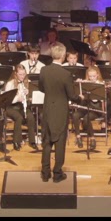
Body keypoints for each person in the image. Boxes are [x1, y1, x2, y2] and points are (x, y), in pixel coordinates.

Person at [39, 42, 82, 182]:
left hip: (47, 109)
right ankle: (57, 174)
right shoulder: (66, 74)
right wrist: (80, 98)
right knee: (59, 143)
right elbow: (72, 96)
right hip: (61, 111)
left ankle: (45, 173)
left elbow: (41, 88)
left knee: (46, 142)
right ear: (63, 56)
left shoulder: (44, 70)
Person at [4, 65, 38, 151]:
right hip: (10, 107)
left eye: (24, 74)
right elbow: (7, 100)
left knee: (30, 117)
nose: (22, 76)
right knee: (18, 117)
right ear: (16, 74)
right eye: (20, 74)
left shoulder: (26, 82)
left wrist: (27, 94)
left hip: (21, 106)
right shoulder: (10, 84)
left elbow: (27, 98)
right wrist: (17, 99)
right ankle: (16, 141)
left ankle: (32, 141)